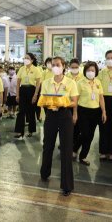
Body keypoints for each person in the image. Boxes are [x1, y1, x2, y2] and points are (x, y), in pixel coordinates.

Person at [39, 56, 78, 196]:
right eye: (53, 64)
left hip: (64, 115)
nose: (55, 67)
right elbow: (42, 99)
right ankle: (44, 172)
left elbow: (74, 101)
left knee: (66, 149)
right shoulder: (46, 82)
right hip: (50, 115)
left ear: (63, 66)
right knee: (47, 145)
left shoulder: (71, 83)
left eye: (57, 64)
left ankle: (66, 185)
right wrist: (48, 104)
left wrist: (64, 103)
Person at [74, 61, 106, 166]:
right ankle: (74, 149)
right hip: (83, 111)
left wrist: (104, 112)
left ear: (96, 71)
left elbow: (101, 98)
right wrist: (75, 113)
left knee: (90, 136)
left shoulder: (98, 82)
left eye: (92, 70)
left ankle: (82, 156)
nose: (90, 72)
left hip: (95, 111)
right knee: (85, 134)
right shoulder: (80, 83)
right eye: (88, 70)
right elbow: (76, 99)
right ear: (85, 71)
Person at [14, 53, 41, 140]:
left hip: (32, 90)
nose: (25, 59)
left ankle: (31, 130)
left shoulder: (36, 69)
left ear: (32, 60)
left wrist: (35, 95)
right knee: (21, 111)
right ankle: (19, 131)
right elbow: (18, 83)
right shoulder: (21, 69)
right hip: (23, 90)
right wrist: (17, 94)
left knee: (31, 111)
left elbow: (38, 84)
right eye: (24, 58)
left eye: (27, 58)